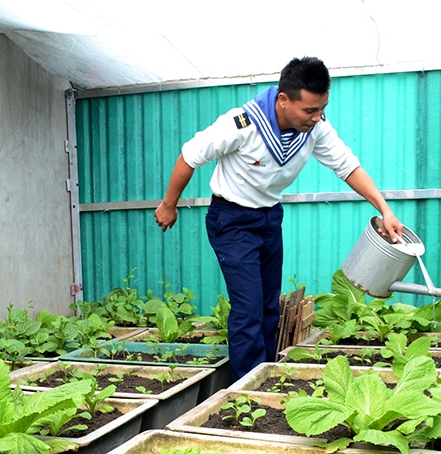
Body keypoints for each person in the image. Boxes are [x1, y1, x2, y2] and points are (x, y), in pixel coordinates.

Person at [154, 56, 404, 382]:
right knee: (248, 309)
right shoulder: (242, 124)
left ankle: (266, 375)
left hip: (270, 218)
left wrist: (385, 209)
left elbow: (347, 166)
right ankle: (245, 388)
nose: (317, 118)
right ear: (284, 100)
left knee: (269, 308)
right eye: (309, 110)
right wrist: (169, 204)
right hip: (231, 219)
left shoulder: (314, 129)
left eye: (321, 109)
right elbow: (190, 156)